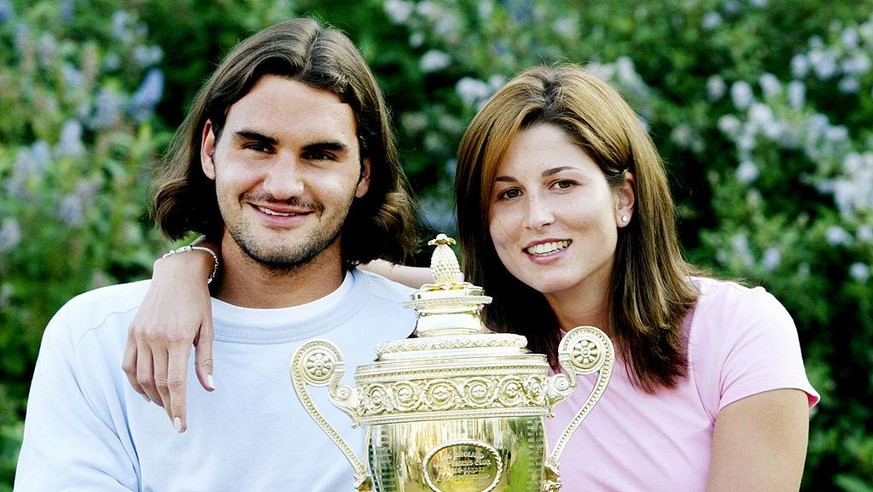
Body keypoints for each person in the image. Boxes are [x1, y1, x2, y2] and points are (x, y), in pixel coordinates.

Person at [124, 64, 819, 490]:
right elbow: (310, 259)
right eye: (506, 193)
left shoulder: (737, 331)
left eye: (562, 183)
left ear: (624, 196)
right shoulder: (468, 327)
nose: (535, 218)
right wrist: (188, 264)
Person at [14, 18, 422, 491]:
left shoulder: (423, 338)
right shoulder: (98, 337)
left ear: (364, 173)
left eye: (320, 155)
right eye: (257, 146)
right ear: (210, 148)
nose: (283, 186)